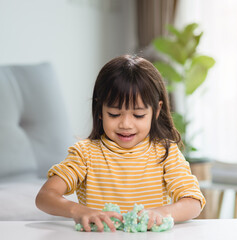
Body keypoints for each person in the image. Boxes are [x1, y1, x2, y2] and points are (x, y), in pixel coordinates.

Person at [35, 55, 205, 232]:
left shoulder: (165, 152)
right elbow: (45, 196)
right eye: (114, 114)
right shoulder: (85, 154)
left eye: (138, 115)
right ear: (100, 110)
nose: (126, 124)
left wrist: (161, 212)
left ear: (156, 110)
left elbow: (193, 202)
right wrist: (77, 210)